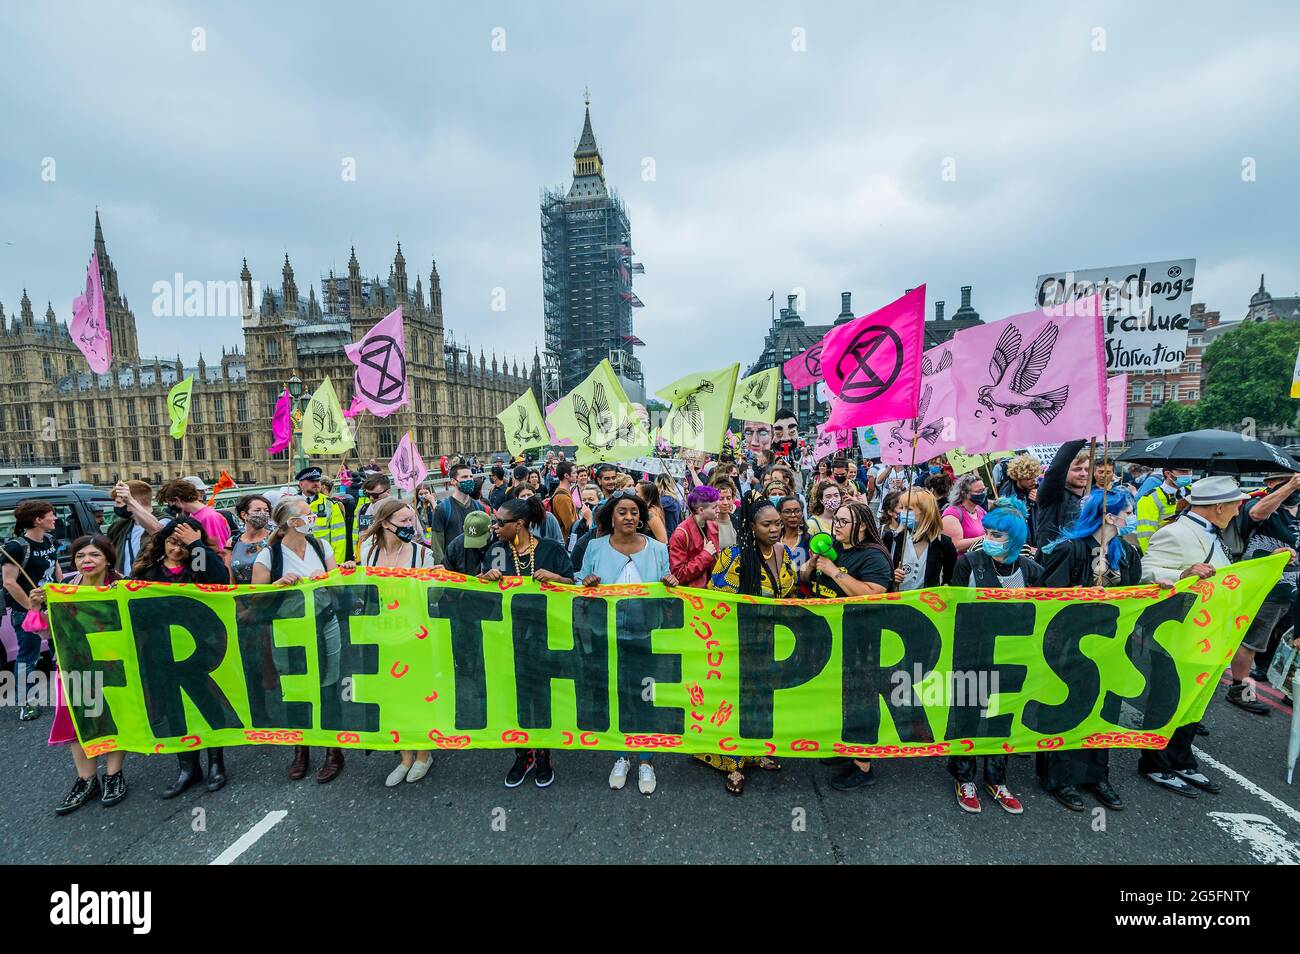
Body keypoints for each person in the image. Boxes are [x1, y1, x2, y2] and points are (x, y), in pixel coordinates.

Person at [1139, 476, 1257, 798]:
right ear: (1218, 506)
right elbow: (1146, 572)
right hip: (1177, 635)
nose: (1238, 511)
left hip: (1207, 633)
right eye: (1235, 504)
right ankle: (1154, 762)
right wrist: (1182, 574)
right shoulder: (1174, 532)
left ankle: (1179, 757)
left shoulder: (1214, 534)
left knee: (1194, 700)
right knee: (1168, 699)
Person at [1038, 488, 1140, 812]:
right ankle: (1060, 776)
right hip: (1070, 648)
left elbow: (1137, 592)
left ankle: (1096, 774)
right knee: (1069, 708)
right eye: (1127, 512)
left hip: (1110, 646)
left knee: (1105, 708)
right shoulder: (1071, 549)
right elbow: (1045, 597)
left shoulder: (1127, 553)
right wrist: (1078, 595)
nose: (1131, 517)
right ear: (1109, 515)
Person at [579, 490, 678, 795]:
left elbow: (667, 595)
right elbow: (581, 583)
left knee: (644, 698)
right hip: (606, 637)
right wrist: (587, 583)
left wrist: (672, 585)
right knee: (616, 697)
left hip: (645, 639)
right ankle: (621, 755)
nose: (629, 517)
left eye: (635, 512)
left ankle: (646, 760)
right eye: (622, 512)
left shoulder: (659, 550)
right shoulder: (594, 547)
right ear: (612, 516)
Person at [948, 498, 1043, 814]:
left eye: (996, 535)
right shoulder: (969, 564)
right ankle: (964, 776)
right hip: (972, 652)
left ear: (1015, 538)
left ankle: (997, 778)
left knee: (1002, 717)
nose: (987, 538)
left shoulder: (1032, 571)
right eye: (986, 532)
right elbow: (952, 608)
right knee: (967, 715)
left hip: (1013, 658)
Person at [252, 496, 353, 785]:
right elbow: (254, 599)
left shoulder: (320, 547)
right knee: (295, 691)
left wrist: (332, 578)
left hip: (324, 624)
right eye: (307, 516)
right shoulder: (269, 556)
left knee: (328, 686)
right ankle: (301, 750)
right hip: (289, 630)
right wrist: (276, 586)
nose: (312, 520)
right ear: (290, 523)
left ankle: (334, 752)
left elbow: (340, 587)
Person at [132, 516, 231, 796]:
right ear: (163, 542)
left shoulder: (197, 566)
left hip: (199, 651)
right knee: (175, 708)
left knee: (207, 703)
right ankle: (188, 767)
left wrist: (197, 545)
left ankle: (216, 763)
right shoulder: (147, 572)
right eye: (173, 543)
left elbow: (219, 579)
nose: (177, 550)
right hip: (161, 651)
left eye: (183, 545)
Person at [482, 497, 576, 790]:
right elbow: (478, 590)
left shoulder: (550, 550)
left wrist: (556, 578)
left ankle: (544, 754)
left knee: (542, 699)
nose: (495, 527)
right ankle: (522, 755)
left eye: (500, 523)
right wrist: (484, 578)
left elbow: (576, 587)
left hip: (545, 637)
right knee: (513, 699)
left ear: (519, 524)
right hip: (506, 639)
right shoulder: (496, 551)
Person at [30, 535, 129, 813]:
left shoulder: (122, 586)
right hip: (73, 665)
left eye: (94, 555)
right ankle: (86, 780)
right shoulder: (63, 589)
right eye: (80, 556)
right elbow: (45, 631)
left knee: (114, 717)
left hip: (113, 664)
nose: (87, 561)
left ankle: (113, 775)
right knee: (77, 722)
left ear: (108, 559)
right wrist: (37, 607)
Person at [699, 495, 791, 794]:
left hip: (771, 642)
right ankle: (733, 763)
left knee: (763, 701)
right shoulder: (734, 556)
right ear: (751, 526)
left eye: (778, 523)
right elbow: (717, 599)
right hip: (737, 643)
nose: (775, 529)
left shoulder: (783, 552)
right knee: (735, 702)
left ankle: (755, 750)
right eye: (767, 524)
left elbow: (787, 593)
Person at [799, 501, 892, 791]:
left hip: (860, 637)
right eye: (835, 520)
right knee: (839, 696)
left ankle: (863, 766)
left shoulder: (874, 556)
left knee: (860, 699)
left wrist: (834, 572)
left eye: (843, 522)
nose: (836, 526)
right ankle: (846, 748)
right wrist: (814, 564)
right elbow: (804, 578)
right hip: (831, 635)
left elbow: (873, 594)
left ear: (862, 526)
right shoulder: (834, 547)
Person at [357, 498, 437, 786]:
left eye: (411, 521)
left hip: (414, 635)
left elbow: (431, 598)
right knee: (392, 697)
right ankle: (405, 756)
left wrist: (435, 582)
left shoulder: (421, 555)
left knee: (418, 694)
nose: (409, 527)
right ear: (384, 522)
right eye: (403, 522)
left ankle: (424, 754)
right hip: (381, 635)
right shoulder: (367, 552)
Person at [1233, 472, 1300, 698]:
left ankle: (1290, 692)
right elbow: (1256, 513)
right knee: (1252, 643)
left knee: (1293, 643)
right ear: (1271, 484)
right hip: (1267, 590)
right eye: (1288, 481)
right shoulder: (1261, 504)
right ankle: (1240, 691)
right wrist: (1289, 487)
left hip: (1293, 592)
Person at [2, 499, 63, 721]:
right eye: (51, 514)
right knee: (29, 656)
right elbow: (9, 582)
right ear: (38, 520)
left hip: (53, 606)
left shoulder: (49, 540)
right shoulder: (15, 547)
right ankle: (25, 702)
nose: (54, 518)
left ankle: (66, 695)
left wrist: (60, 593)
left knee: (60, 652)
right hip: (26, 611)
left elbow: (54, 566)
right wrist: (34, 609)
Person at [887, 490, 955, 591]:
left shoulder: (944, 543)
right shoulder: (891, 539)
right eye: (902, 508)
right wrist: (891, 577)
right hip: (897, 602)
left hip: (929, 603)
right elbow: (878, 575)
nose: (903, 513)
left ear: (926, 513)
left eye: (908, 509)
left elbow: (950, 577)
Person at [157, 477, 232, 567]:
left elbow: (220, 551)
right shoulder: (193, 515)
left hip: (212, 571)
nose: (170, 507)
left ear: (177, 500)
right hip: (201, 567)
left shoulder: (209, 517)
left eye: (170, 503)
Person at [1033, 441, 1089, 549]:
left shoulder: (1092, 498)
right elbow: (1055, 471)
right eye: (1077, 469)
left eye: (1087, 469)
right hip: (1053, 560)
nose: (1083, 474)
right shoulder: (1052, 494)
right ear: (1065, 471)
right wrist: (1079, 438)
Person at [430, 463, 487, 563]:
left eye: (471, 476)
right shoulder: (442, 509)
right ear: (453, 481)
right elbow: (437, 544)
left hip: (475, 567)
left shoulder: (479, 507)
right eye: (464, 477)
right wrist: (442, 568)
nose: (469, 480)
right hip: (452, 569)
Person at [668, 485, 720, 588]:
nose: (718, 510)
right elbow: (678, 574)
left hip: (714, 591)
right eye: (714, 507)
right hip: (694, 596)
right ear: (701, 510)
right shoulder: (681, 535)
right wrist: (705, 555)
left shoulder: (713, 526)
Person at [294, 466, 348, 563]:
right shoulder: (290, 503)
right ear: (301, 484)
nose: (316, 484)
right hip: (297, 558)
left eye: (318, 480)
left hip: (323, 558)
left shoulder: (330, 504)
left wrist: (337, 563)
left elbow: (339, 537)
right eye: (311, 481)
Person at [1134, 467, 1194, 552]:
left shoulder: (1195, 492)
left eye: (1190, 470)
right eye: (1183, 471)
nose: (1188, 475)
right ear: (1168, 474)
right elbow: (1146, 537)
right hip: (1167, 551)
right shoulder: (1149, 499)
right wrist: (1153, 560)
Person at [107, 479, 160, 575]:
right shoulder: (120, 526)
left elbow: (157, 530)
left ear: (135, 502)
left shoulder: (164, 520)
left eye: (119, 502)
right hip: (123, 584)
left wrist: (130, 501)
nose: (116, 506)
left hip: (148, 584)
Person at [998, 454, 1042, 546]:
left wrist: (1041, 499)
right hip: (1020, 545)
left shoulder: (1040, 488)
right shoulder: (1007, 493)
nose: (1034, 481)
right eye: (1029, 478)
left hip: (1039, 542)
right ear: (1018, 477)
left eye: (1035, 477)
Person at [230, 494, 273, 583]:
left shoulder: (274, 538)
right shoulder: (232, 542)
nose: (263, 514)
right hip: (240, 594)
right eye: (257, 510)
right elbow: (230, 578)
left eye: (266, 511)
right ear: (244, 515)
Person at [941, 474, 988, 554]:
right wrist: (986, 538)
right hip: (963, 563)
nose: (982, 494)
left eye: (983, 490)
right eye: (978, 492)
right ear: (964, 493)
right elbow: (955, 545)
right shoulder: (952, 514)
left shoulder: (980, 510)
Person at [444, 510, 493, 576]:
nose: (476, 545)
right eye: (472, 539)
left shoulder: (499, 542)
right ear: (464, 529)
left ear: (490, 529)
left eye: (479, 538)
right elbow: (448, 571)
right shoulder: (455, 546)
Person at [351, 473, 391, 542]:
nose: (371, 498)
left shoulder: (402, 511)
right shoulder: (362, 510)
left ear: (388, 492)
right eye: (367, 494)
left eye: (375, 495)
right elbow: (357, 535)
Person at [776, 495, 810, 569]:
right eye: (787, 512)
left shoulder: (809, 541)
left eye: (797, 511)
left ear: (802, 514)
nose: (793, 515)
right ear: (779, 515)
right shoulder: (774, 540)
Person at [549, 461, 579, 538]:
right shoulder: (562, 498)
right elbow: (570, 526)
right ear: (566, 475)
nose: (577, 475)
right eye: (574, 472)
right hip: (566, 541)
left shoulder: (565, 492)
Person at [710, 476, 741, 548]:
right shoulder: (708, 524)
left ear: (733, 499)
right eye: (721, 499)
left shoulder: (737, 521)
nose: (725, 502)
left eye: (728, 498)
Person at [637, 480, 670, 544]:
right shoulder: (642, 509)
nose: (633, 493)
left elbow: (663, 541)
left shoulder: (651, 513)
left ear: (645, 496)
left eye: (636, 491)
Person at [655, 472, 685, 537]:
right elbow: (680, 520)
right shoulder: (675, 500)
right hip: (674, 535)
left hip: (662, 536)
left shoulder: (657, 501)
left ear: (657, 484)